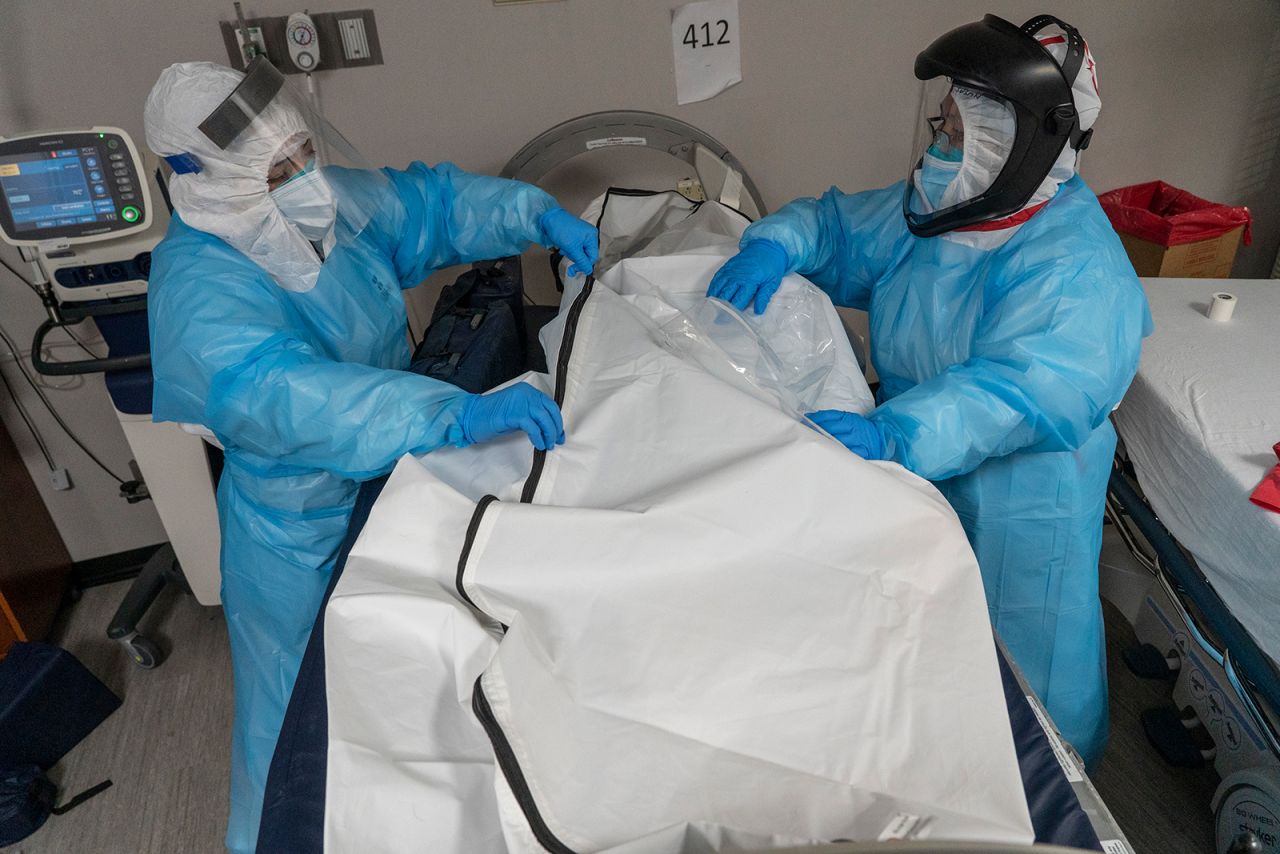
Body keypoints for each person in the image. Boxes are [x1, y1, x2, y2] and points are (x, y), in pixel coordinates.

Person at [142, 59, 597, 852]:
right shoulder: (198, 291)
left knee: (402, 689)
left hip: (390, 470)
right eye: (279, 170)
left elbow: (426, 208)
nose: (305, 178)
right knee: (295, 728)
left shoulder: (314, 203)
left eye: (302, 155)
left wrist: (534, 214)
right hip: (296, 529)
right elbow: (291, 396)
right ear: (205, 182)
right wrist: (451, 413)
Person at [707, 14, 1151, 769]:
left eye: (954, 133)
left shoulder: (1079, 269)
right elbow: (841, 231)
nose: (937, 147)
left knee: (1025, 680)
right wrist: (775, 243)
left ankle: (1060, 801)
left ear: (1015, 148)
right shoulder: (949, 210)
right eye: (941, 126)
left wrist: (894, 435)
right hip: (926, 467)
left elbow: (1017, 394)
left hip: (1023, 501)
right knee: (935, 660)